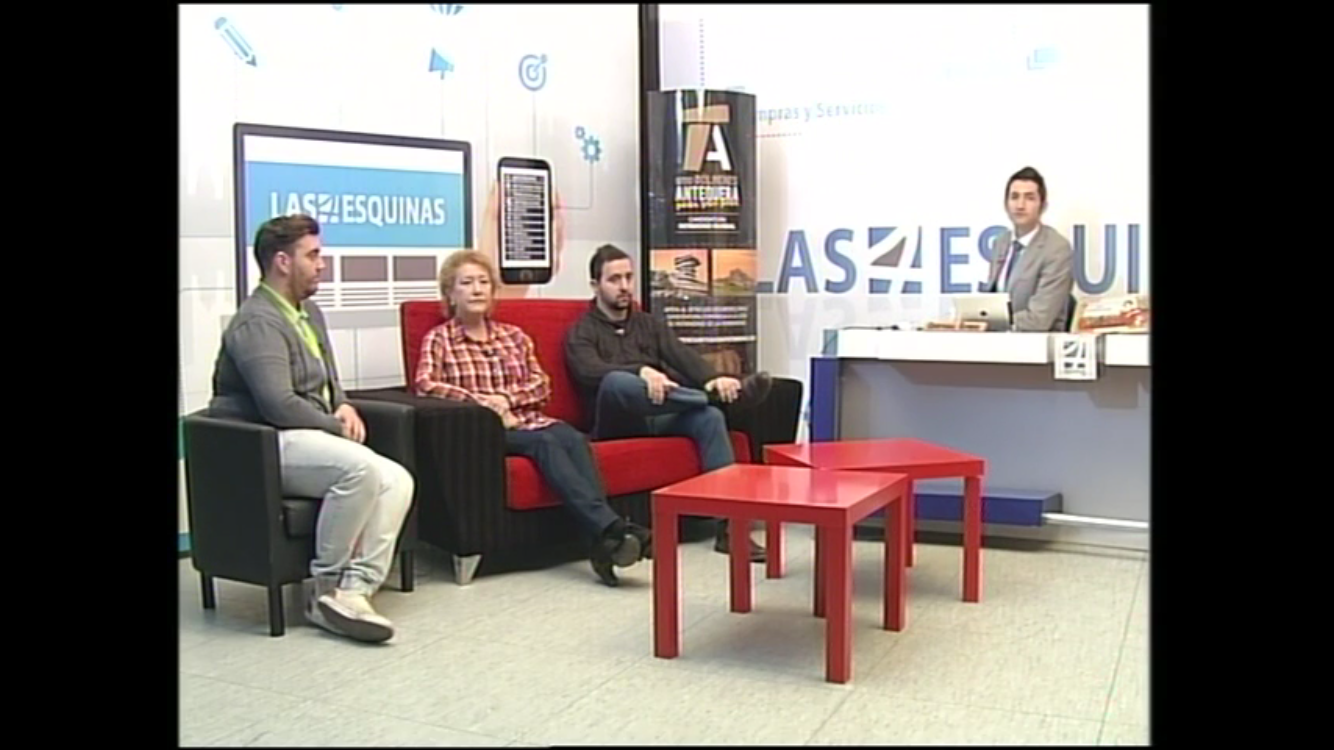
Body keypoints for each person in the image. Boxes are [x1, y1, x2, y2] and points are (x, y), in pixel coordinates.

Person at [209, 215, 415, 644]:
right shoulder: (257, 322)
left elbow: (328, 381)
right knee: (360, 470)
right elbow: (277, 405)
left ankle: (355, 590)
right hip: (262, 441)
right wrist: (334, 425)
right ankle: (324, 588)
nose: (322, 264)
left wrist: (342, 403)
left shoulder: (309, 313)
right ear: (282, 262)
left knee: (398, 479)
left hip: (307, 434)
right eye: (313, 255)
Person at [414, 250, 649, 587]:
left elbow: (541, 384)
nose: (477, 289)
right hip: (485, 432)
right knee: (546, 441)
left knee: (571, 437)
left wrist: (506, 399)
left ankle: (603, 541)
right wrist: (485, 406)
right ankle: (613, 528)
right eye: (466, 283)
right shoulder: (440, 340)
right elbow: (425, 385)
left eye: (483, 282)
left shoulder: (513, 336)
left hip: (526, 420)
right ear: (450, 294)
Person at [564, 244, 773, 561]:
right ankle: (710, 399)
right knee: (618, 381)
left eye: (629, 277)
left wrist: (712, 379)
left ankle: (731, 530)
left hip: (659, 411)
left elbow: (682, 356)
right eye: (614, 279)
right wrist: (641, 371)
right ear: (595, 285)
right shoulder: (581, 332)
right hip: (615, 420)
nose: (624, 286)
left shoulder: (648, 324)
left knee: (710, 418)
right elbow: (588, 372)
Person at [982, 167, 1076, 332]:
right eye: (1014, 197)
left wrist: (991, 323)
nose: (1020, 205)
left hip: (1038, 342)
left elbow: (1039, 320)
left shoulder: (1057, 249)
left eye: (1029, 198)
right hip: (999, 340)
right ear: (1006, 204)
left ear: (1043, 206)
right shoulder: (1001, 243)